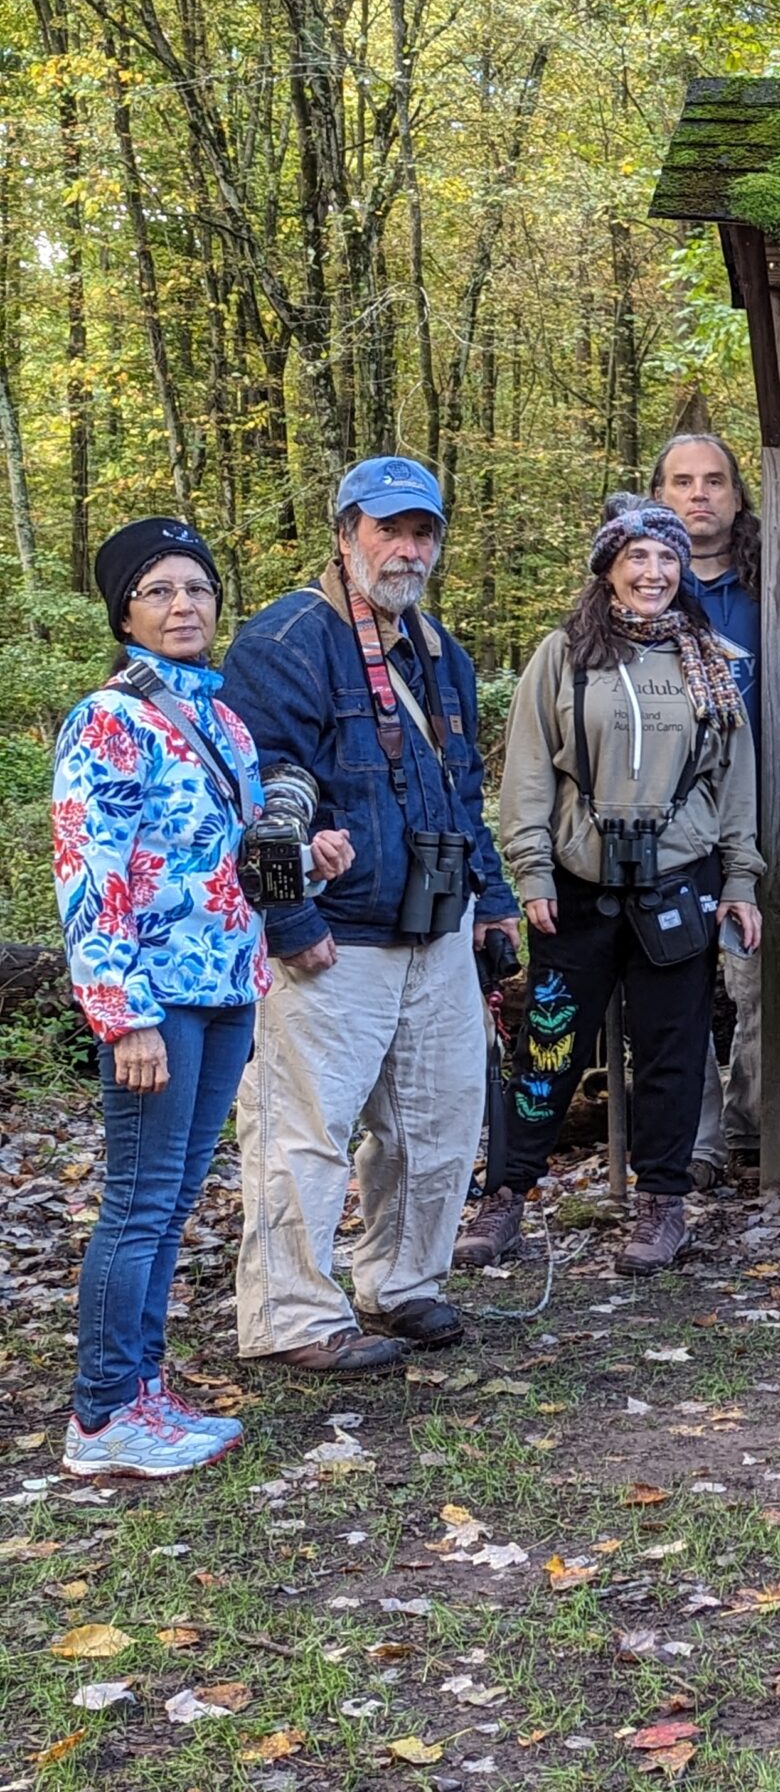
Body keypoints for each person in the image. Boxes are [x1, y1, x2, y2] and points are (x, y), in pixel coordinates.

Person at [55, 521, 355, 1473]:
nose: (184, 607)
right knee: (140, 1203)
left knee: (174, 1196)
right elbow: (89, 870)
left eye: (197, 589)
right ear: (126, 613)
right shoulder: (109, 718)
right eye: (159, 592)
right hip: (157, 999)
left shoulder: (220, 720)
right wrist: (123, 1013)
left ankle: (143, 1390)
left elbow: (227, 865)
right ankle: (102, 1416)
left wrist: (307, 860)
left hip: (227, 985)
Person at [224, 458, 518, 1374]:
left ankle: (400, 1285)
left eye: (422, 532)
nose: (406, 549)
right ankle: (291, 1317)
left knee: (435, 1126)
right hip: (333, 936)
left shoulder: (440, 654)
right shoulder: (287, 641)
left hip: (434, 930)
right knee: (304, 1131)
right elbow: (257, 798)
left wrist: (493, 903)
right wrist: (287, 923)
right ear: (345, 532)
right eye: (387, 530)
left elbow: (466, 794)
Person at [455, 504, 765, 1276]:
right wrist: (528, 868)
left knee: (672, 1047)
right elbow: (527, 771)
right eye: (637, 557)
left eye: (667, 558)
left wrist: (740, 881)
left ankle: (662, 1204)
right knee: (549, 1044)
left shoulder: (710, 661)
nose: (654, 573)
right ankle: (507, 1196)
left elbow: (735, 783)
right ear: (608, 569)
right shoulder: (565, 656)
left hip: (678, 881)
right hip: (578, 884)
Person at [646, 436, 780, 1192]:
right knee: (675, 985)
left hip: (763, 821)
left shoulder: (776, 585)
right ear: (658, 496)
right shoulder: (640, 590)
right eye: (682, 482)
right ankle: (698, 1141)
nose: (699, 495)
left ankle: (759, 1127)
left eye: (715, 481)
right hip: (666, 829)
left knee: (771, 982)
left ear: (739, 496)